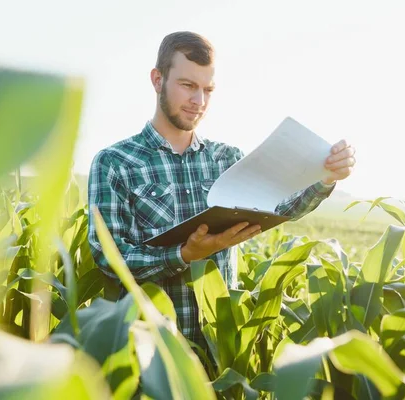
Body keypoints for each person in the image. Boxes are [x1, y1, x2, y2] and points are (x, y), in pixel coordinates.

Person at [87, 31, 356, 349]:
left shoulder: (227, 159)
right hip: (147, 352)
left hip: (220, 352)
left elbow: (279, 207)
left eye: (208, 90)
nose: (198, 101)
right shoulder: (115, 162)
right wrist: (185, 254)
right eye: (188, 85)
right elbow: (110, 257)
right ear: (157, 79)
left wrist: (327, 175)